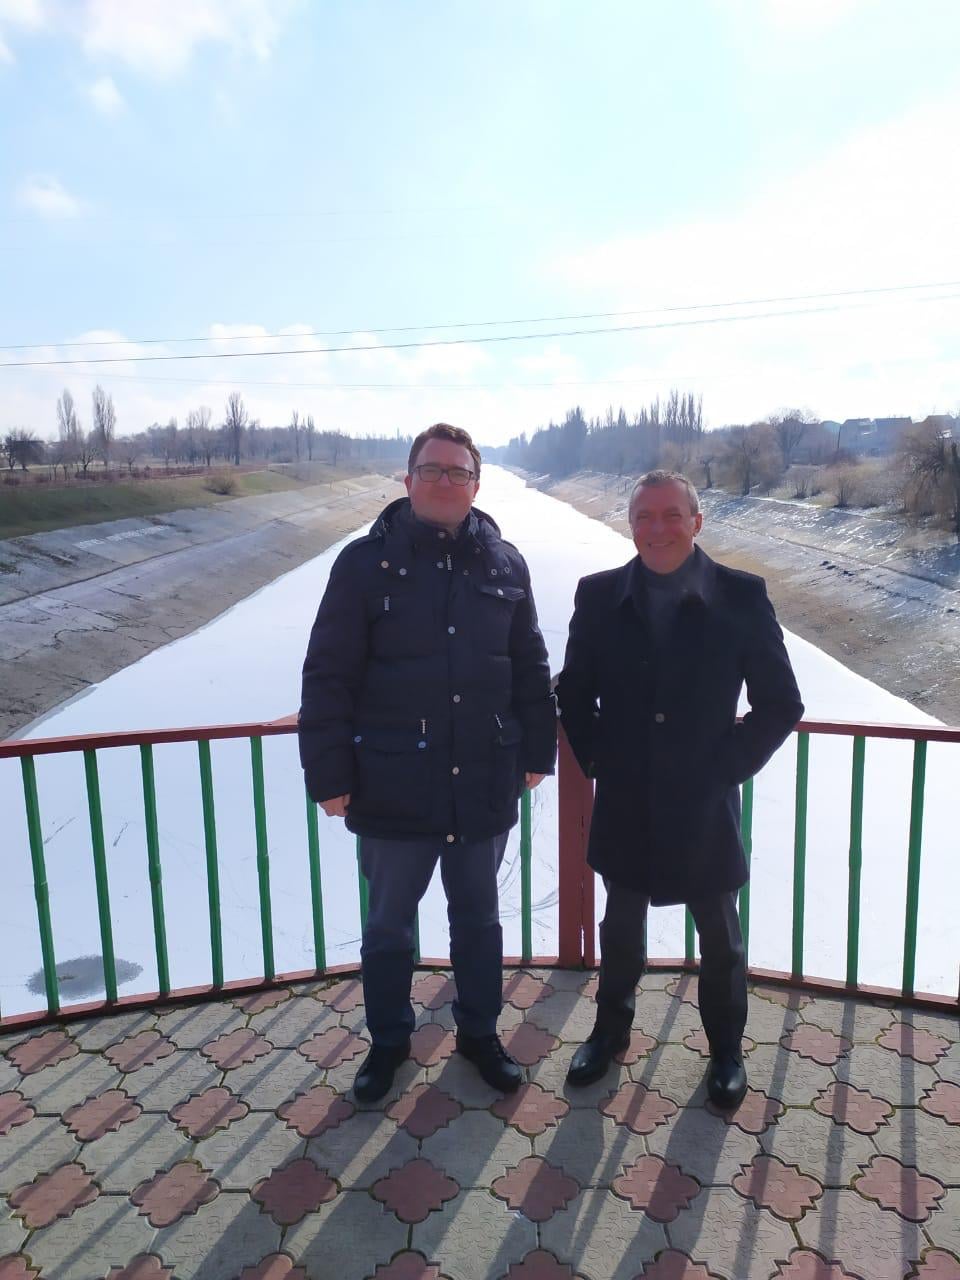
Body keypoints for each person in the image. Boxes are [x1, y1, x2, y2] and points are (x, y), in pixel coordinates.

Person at [299, 423, 556, 1102]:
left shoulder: (506, 565)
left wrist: (537, 749)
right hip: (391, 782)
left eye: (458, 472)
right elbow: (327, 675)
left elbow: (530, 666)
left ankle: (479, 1034)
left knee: (478, 922)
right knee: (388, 928)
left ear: (477, 483)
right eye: (432, 470)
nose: (445, 482)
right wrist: (328, 774)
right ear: (408, 479)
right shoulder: (363, 565)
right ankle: (388, 1043)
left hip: (483, 779)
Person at [556, 469, 803, 1108]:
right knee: (620, 926)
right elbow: (573, 692)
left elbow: (781, 703)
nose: (657, 528)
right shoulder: (598, 595)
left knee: (720, 935)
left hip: (703, 803)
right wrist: (600, 760)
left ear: (697, 521)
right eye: (644, 516)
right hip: (628, 797)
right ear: (630, 524)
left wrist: (725, 768)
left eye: (672, 515)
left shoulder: (741, 595)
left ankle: (725, 1051)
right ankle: (609, 1033)